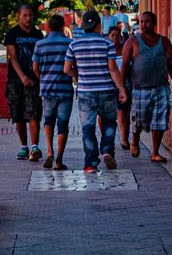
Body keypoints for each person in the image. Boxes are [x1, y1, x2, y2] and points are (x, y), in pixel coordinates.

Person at [64, 9, 129, 173]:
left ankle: (90, 163)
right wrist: (122, 89)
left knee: (88, 127)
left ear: (83, 26)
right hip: (106, 90)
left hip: (86, 91)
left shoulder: (74, 45)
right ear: (99, 26)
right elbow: (113, 69)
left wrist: (80, 73)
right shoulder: (107, 44)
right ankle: (107, 150)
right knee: (109, 123)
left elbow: (67, 70)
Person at [120, 11, 172, 163]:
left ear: (154, 24)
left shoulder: (164, 42)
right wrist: (122, 88)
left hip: (161, 88)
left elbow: (171, 65)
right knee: (139, 119)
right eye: (141, 22)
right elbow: (125, 65)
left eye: (147, 21)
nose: (143, 24)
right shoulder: (132, 42)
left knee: (160, 121)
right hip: (140, 89)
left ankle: (155, 152)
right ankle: (135, 139)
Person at [32, 14, 74, 170]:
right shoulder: (70, 44)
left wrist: (42, 78)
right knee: (63, 124)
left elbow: (35, 68)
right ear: (63, 26)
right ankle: (59, 160)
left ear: (48, 27)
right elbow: (73, 66)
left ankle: (49, 150)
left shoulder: (40, 45)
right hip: (65, 89)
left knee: (49, 120)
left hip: (47, 89)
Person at [4, 5, 45, 161]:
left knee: (34, 111)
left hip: (34, 79)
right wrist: (22, 76)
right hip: (16, 79)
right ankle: (24, 146)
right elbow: (12, 57)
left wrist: (39, 77)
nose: (28, 18)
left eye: (30, 15)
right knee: (18, 113)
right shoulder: (12, 34)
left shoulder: (37, 34)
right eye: (25, 15)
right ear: (19, 16)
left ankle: (35, 146)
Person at [107, 24, 131, 149]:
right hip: (110, 85)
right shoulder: (106, 50)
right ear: (108, 37)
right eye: (112, 35)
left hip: (125, 84)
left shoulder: (125, 49)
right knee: (108, 114)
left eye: (117, 36)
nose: (115, 38)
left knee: (124, 114)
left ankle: (124, 139)